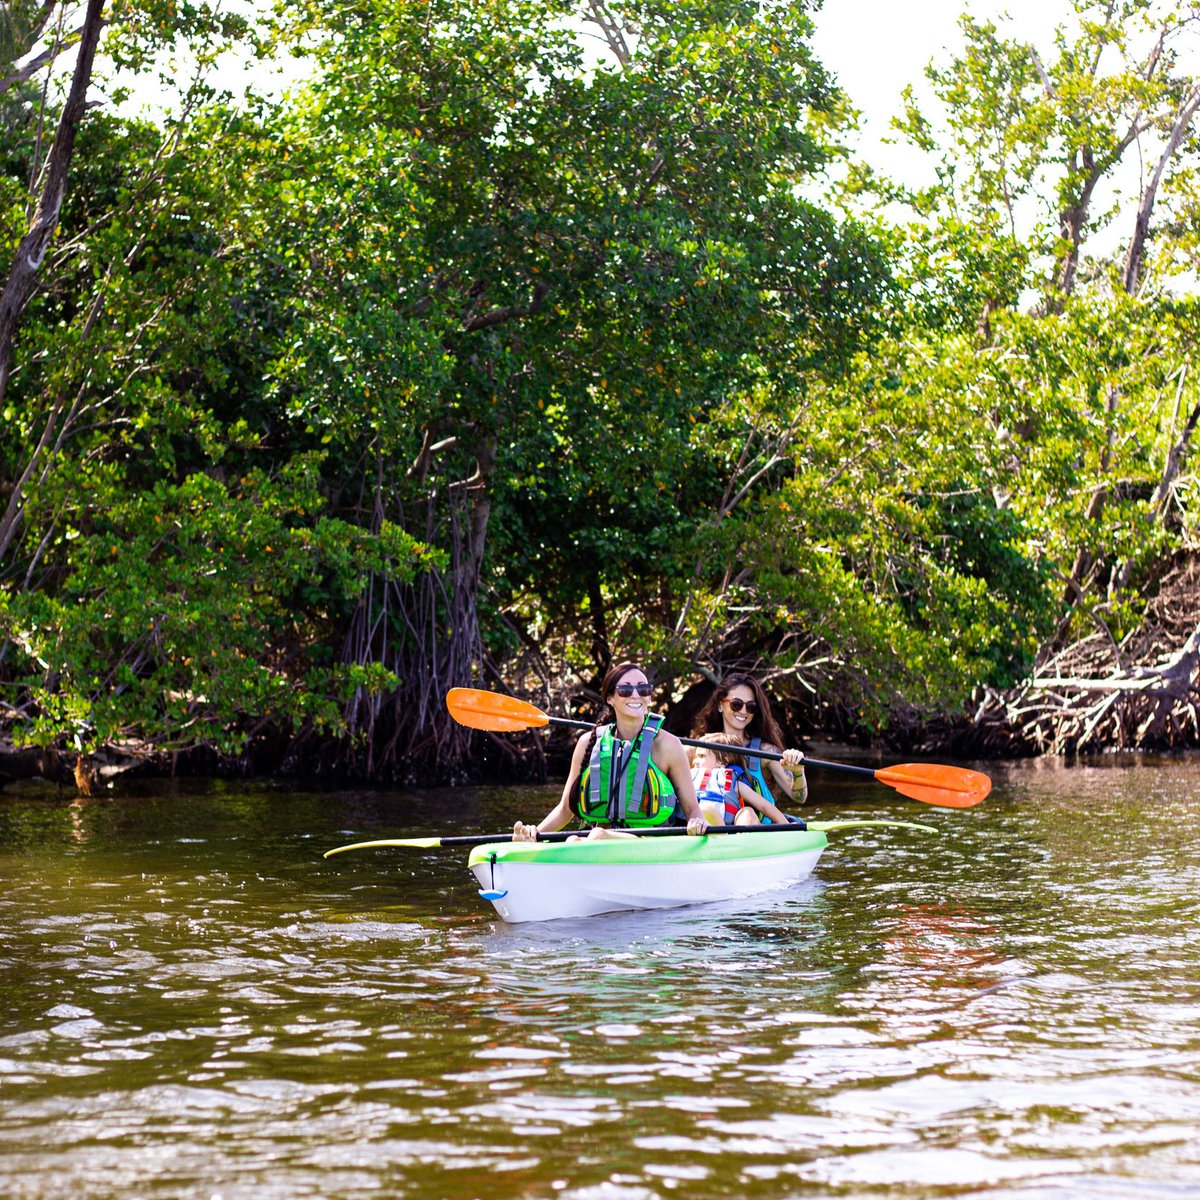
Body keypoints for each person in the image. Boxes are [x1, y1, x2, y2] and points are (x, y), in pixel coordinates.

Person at [513, 662, 708, 841]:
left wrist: (697, 822)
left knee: (596, 835)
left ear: (649, 696)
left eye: (643, 688)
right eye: (624, 690)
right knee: (574, 839)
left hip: (650, 842)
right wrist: (535, 834)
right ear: (610, 699)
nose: (635, 694)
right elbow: (566, 809)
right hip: (601, 841)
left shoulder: (667, 745)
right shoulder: (587, 743)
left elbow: (692, 809)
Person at [689, 673, 807, 816]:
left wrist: (797, 772)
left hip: (752, 826)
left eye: (751, 706)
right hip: (711, 822)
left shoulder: (766, 752)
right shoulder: (700, 749)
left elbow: (799, 797)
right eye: (736, 704)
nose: (743, 711)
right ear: (720, 705)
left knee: (748, 814)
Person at [690, 734, 790, 826]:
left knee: (747, 812)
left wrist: (787, 826)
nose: (695, 761)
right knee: (705, 809)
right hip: (697, 827)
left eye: (702, 756)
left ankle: (740, 840)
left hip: (730, 833)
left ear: (723, 761)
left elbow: (764, 806)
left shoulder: (735, 785)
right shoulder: (689, 779)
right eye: (696, 756)